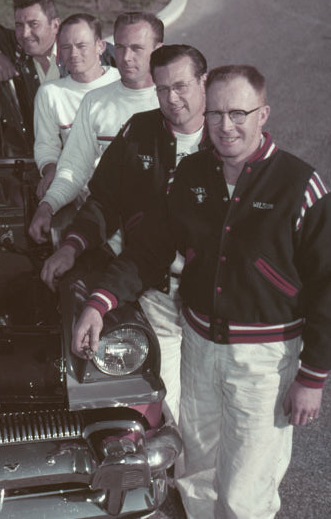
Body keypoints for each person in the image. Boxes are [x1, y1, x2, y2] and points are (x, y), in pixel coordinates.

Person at [72, 65, 331, 519]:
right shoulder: (191, 174)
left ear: (264, 114)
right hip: (199, 350)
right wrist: (100, 302)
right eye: (217, 112)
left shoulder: (300, 185)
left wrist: (312, 378)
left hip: (263, 363)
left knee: (244, 495)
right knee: (196, 479)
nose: (225, 126)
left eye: (239, 113)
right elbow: (148, 250)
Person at [42, 44, 210, 425]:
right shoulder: (139, 130)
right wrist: (72, 244)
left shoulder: (226, 141)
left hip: (213, 303)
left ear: (205, 81)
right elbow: (104, 202)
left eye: (181, 86)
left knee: (211, 413)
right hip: (153, 291)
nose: (171, 98)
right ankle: (176, 480)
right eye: (162, 88)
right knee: (165, 408)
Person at [29, 12, 164, 242]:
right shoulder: (93, 102)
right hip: (108, 232)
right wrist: (47, 206)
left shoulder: (173, 99)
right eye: (120, 47)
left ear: (158, 49)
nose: (126, 57)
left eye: (137, 48)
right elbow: (73, 168)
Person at [33, 13, 120, 199]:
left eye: (81, 46)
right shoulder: (50, 93)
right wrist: (50, 171)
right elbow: (46, 146)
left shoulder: (123, 82)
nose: (73, 54)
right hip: (78, 192)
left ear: (100, 46)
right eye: (66, 47)